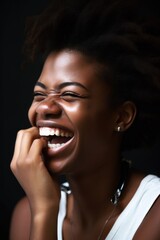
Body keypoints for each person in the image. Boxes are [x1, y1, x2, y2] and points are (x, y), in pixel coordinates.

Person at [9, 0, 160, 239]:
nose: (45, 107)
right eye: (39, 94)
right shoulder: (26, 214)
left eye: (69, 94)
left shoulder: (154, 216)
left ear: (121, 116)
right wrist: (43, 211)